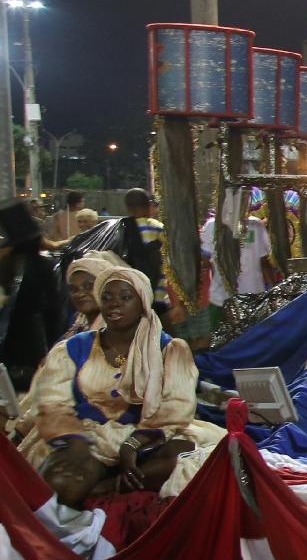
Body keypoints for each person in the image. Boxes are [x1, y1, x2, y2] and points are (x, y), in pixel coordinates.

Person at [20, 265, 223, 509]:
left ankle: (108, 485)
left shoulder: (169, 349)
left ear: (143, 302)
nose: (114, 305)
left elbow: (174, 407)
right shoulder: (73, 349)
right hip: (88, 436)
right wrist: (76, 445)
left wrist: (132, 444)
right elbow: (52, 403)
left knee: (187, 458)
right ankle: (100, 481)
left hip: (147, 434)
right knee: (62, 483)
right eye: (106, 298)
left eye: (125, 298)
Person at [1, 200, 66, 394]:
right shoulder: (42, 265)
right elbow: (54, 307)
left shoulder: (7, 266)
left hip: (10, 341)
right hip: (33, 337)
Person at [118, 189, 173, 324]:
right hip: (158, 294)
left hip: (133, 294)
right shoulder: (157, 227)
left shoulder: (122, 229)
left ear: (128, 208)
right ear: (149, 205)